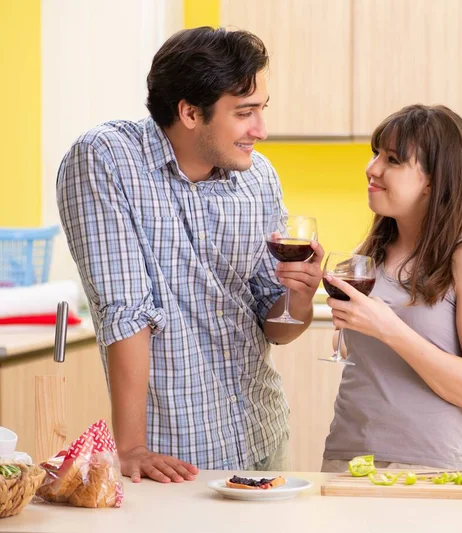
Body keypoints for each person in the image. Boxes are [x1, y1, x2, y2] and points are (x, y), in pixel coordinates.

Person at [57, 26, 323, 483]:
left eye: (262, 109)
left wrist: (299, 299)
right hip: (177, 458)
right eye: (245, 113)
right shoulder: (106, 161)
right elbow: (126, 312)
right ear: (190, 113)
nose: (261, 129)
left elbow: (275, 328)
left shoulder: (258, 178)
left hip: (263, 436)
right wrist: (132, 447)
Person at [321, 104, 462, 473]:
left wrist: (388, 327)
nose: (372, 169)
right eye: (375, 155)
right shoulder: (368, 254)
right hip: (346, 458)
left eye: (392, 159)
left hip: (426, 469)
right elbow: (356, 353)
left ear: (433, 179)